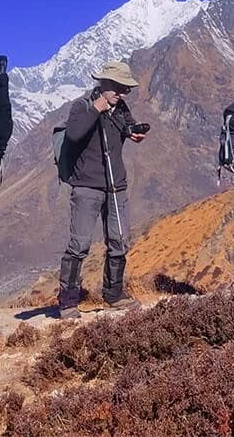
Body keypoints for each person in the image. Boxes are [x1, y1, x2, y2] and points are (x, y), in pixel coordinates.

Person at [57, 61, 148, 318]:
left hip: (116, 186)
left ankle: (114, 294)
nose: (122, 93)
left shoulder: (120, 109)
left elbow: (126, 125)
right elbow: (74, 135)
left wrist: (133, 132)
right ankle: (68, 301)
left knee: (119, 240)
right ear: (104, 84)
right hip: (87, 186)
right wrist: (96, 110)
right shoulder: (82, 106)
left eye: (126, 89)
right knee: (80, 244)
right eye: (119, 88)